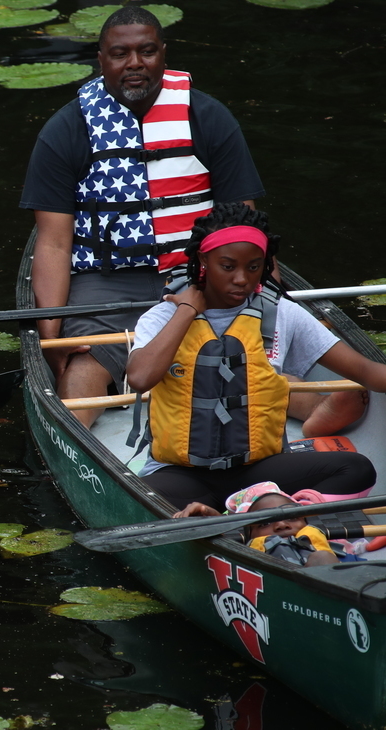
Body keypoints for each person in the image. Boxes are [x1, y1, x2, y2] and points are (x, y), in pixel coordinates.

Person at [19, 6, 265, 428]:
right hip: (106, 284)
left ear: (163, 55)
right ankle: (78, 432)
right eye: (120, 53)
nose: (135, 63)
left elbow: (244, 224)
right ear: (101, 60)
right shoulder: (66, 130)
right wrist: (51, 339)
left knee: (251, 354)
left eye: (146, 51)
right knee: (82, 370)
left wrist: (241, 290)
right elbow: (55, 242)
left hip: (200, 274)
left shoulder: (207, 117)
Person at [126, 202, 386, 512]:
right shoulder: (163, 316)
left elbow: (368, 373)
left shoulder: (282, 315)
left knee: (357, 469)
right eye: (228, 266)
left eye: (253, 266)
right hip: (181, 476)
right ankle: (258, 517)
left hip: (259, 473)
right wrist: (187, 309)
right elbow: (140, 378)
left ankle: (268, 514)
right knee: (145, 500)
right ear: (202, 259)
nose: (242, 279)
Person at [174, 483, 348, 566]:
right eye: (265, 522)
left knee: (322, 557)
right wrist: (212, 519)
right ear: (250, 536)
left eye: (292, 517)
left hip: (328, 577)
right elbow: (224, 546)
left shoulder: (335, 554)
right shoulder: (246, 549)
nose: (281, 524)